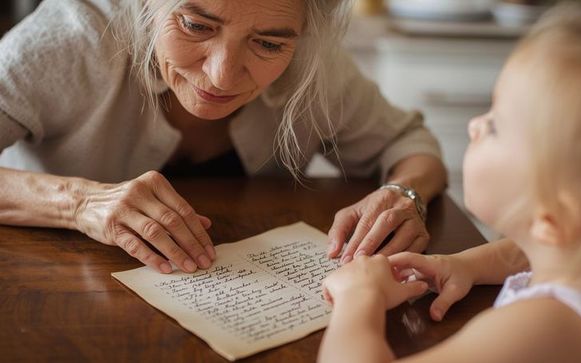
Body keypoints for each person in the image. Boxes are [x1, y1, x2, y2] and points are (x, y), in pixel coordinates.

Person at [0, 0, 447, 274]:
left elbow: (410, 143)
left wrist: (403, 194)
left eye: (269, 44)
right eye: (196, 26)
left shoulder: (315, 65)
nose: (222, 75)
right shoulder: (72, 34)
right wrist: (78, 203)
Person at [319, 11, 581, 363]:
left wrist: (359, 297)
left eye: (495, 126)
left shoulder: (541, 327)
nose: (474, 125)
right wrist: (466, 265)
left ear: (554, 218)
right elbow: (525, 253)